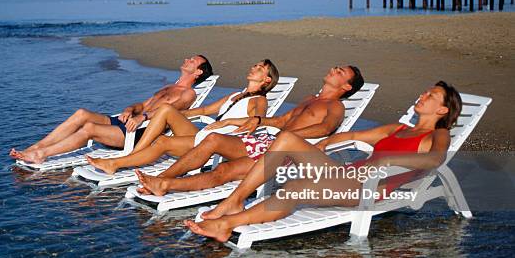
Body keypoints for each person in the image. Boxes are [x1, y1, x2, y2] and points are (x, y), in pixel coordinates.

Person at [185, 81, 462, 243]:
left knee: (293, 190)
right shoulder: (398, 129)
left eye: (431, 96)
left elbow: (435, 159)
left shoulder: (438, 134)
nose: (422, 96)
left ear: (442, 110)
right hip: (346, 176)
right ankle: (234, 202)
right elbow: (352, 134)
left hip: (365, 189)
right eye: (425, 92)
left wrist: (389, 158)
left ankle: (228, 221)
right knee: (285, 142)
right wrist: (324, 143)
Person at [135, 65, 364, 196]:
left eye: (340, 71)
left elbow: (326, 128)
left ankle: (165, 184)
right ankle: (161, 180)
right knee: (214, 138)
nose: (334, 69)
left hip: (284, 153)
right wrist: (258, 120)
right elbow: (283, 119)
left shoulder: (335, 106)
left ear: (346, 87)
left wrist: (288, 137)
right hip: (265, 140)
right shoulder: (309, 99)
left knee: (224, 171)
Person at [85, 60, 279, 174]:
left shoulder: (259, 100)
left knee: (161, 142)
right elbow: (204, 111)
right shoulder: (236, 95)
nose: (254, 68)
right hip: (203, 133)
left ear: (266, 80)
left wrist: (228, 122)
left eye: (259, 68)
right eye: (255, 65)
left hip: (219, 140)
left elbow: (256, 122)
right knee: (166, 110)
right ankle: (132, 157)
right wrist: (178, 114)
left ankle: (118, 163)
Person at [9, 55, 213, 164]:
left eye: (192, 61)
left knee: (89, 127)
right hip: (128, 121)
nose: (187, 59)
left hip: (138, 132)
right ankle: (36, 147)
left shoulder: (188, 94)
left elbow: (168, 111)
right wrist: (129, 108)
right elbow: (142, 105)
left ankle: (43, 154)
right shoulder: (170, 86)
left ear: (198, 72)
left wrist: (142, 116)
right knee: (81, 113)